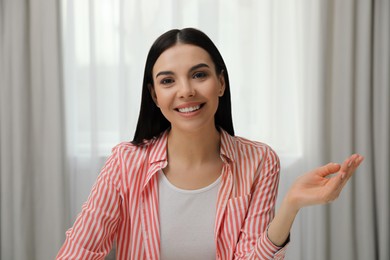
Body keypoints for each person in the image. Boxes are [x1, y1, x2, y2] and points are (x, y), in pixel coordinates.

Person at [56, 28, 364, 260]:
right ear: (154, 95)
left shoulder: (260, 161)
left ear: (221, 83)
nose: (186, 90)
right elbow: (79, 250)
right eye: (168, 81)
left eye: (199, 75)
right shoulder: (125, 162)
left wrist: (291, 206)